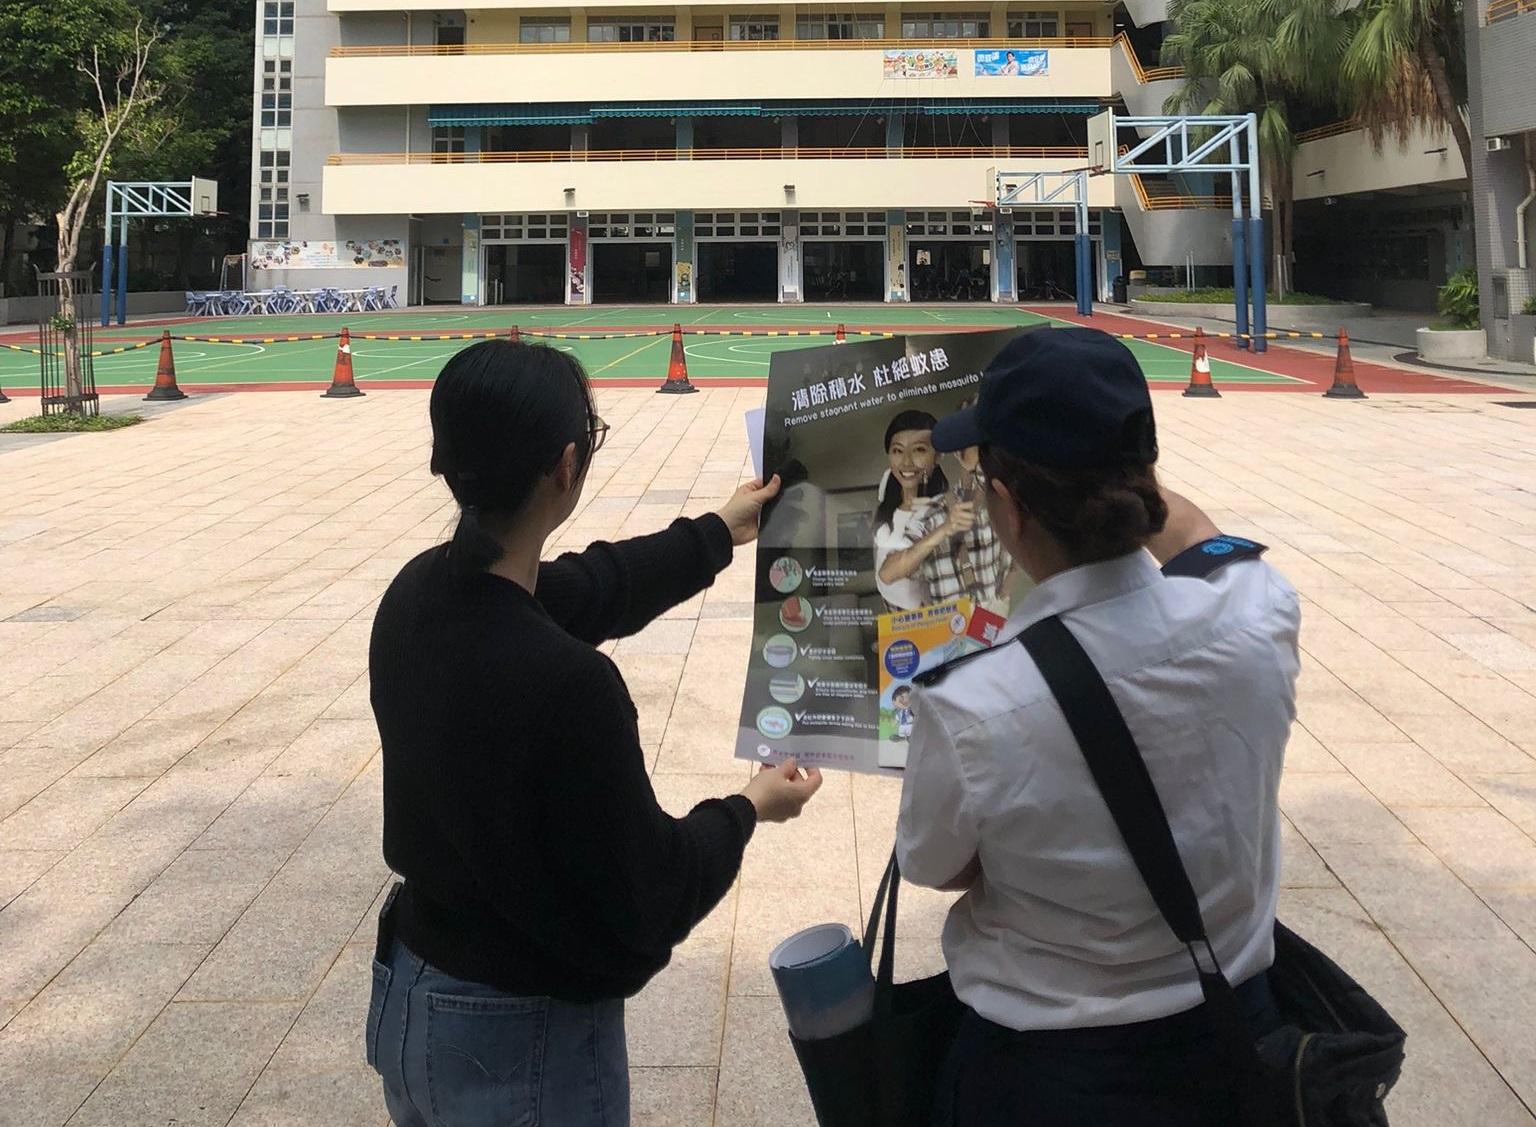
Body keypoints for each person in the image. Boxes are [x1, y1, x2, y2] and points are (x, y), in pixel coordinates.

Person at [365, 340, 823, 1127]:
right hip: (521, 1039)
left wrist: (718, 529)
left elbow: (597, 584)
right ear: (567, 466)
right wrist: (750, 806)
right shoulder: (568, 686)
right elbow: (650, 896)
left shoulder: (415, 595)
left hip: (410, 1000)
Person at [896, 328, 1300, 1126]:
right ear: (1143, 476)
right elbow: (1195, 536)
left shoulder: (972, 700)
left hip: (1048, 1076)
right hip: (1240, 1040)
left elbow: (935, 866)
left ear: (1005, 507)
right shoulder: (1257, 607)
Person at [872, 410, 961, 610]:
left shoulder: (940, 510)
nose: (906, 462)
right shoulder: (887, 486)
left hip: (921, 617)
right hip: (890, 609)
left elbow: (888, 573)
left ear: (937, 456)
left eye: (919, 450)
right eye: (897, 451)